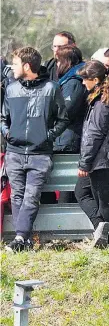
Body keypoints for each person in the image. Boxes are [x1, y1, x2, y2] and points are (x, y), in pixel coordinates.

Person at [1, 47, 69, 252]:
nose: (12, 67)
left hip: (40, 155)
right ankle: (23, 239)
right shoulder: (11, 89)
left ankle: (20, 238)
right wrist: (7, 134)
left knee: (31, 196)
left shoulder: (51, 88)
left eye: (15, 63)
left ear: (27, 66)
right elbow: (3, 118)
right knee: (17, 196)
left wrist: (46, 137)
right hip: (14, 152)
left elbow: (63, 119)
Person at [75, 60, 109, 248]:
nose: (83, 83)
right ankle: (101, 230)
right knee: (91, 193)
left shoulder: (102, 100)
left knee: (98, 196)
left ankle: (107, 240)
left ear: (95, 79)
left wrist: (84, 163)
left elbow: (95, 133)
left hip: (103, 156)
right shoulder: (108, 96)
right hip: (108, 154)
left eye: (85, 79)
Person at [53, 45, 87, 153]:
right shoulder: (68, 81)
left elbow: (66, 111)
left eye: (58, 61)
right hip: (65, 137)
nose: (56, 65)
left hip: (68, 139)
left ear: (65, 62)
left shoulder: (73, 83)